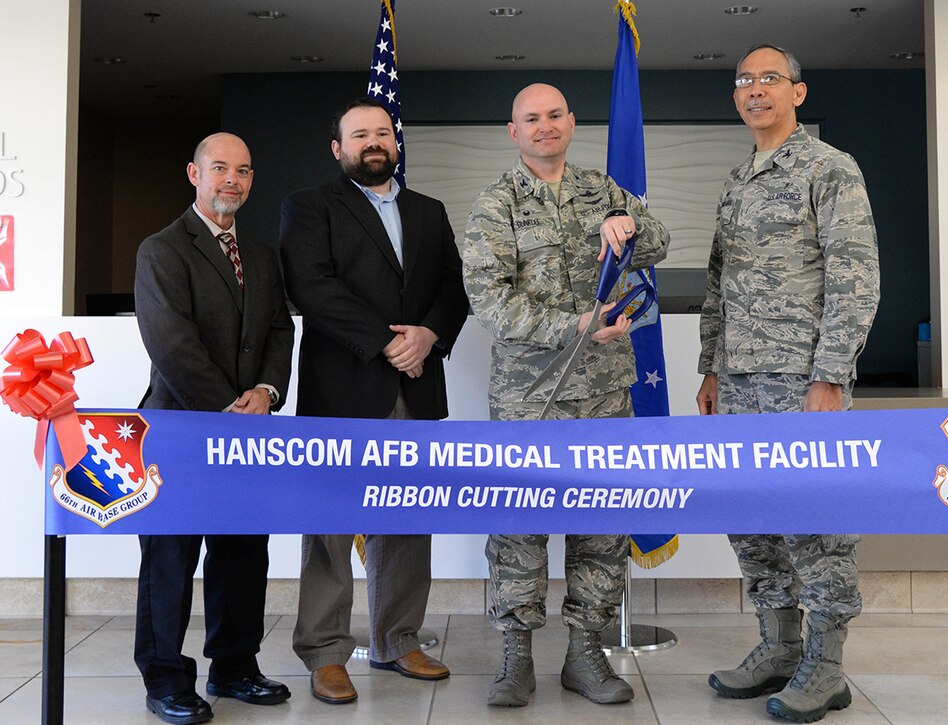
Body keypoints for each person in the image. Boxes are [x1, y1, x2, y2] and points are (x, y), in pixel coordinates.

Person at [462, 83, 669, 708]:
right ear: (514, 130)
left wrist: (630, 225)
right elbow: (488, 298)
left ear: (571, 123)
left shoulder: (603, 188)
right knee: (520, 525)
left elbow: (659, 243)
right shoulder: (496, 203)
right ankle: (515, 658)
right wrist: (571, 327)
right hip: (530, 396)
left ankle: (585, 656)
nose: (544, 126)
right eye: (532, 118)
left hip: (605, 392)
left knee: (602, 525)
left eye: (555, 116)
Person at [696, 45, 880, 723]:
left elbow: (856, 279)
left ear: (797, 93)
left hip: (803, 380)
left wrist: (830, 374)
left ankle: (827, 666)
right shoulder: (736, 180)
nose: (754, 89)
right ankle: (779, 646)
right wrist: (710, 368)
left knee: (816, 521)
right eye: (744, 80)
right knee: (750, 520)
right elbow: (719, 285)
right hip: (739, 383)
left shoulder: (829, 170)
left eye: (769, 78)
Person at [279, 97, 469, 705]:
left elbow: (452, 287)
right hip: (342, 387)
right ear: (338, 149)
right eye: (359, 135)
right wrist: (387, 343)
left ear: (396, 142)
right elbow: (312, 287)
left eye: (382, 133)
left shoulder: (429, 210)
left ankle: (398, 641)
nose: (373, 142)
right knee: (331, 527)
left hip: (417, 386)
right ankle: (326, 653)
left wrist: (430, 335)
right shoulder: (308, 207)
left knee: (409, 520)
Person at [133, 132, 295, 725]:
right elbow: (171, 345)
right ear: (194, 174)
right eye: (221, 168)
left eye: (244, 171)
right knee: (171, 560)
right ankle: (165, 679)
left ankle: (234, 667)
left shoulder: (260, 252)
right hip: (180, 432)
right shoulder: (161, 249)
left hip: (249, 433)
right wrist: (229, 403)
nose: (233, 179)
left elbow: (281, 330)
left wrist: (267, 392)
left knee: (243, 555)